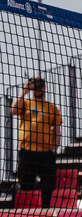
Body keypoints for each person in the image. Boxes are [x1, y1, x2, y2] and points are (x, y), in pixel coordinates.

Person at [11, 77, 61, 209]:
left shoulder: (52, 107)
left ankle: (45, 210)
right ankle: (26, 211)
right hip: (27, 151)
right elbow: (14, 111)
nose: (38, 89)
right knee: (26, 184)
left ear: (44, 88)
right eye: (35, 86)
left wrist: (54, 150)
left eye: (40, 86)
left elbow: (57, 130)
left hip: (45, 153)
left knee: (48, 185)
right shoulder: (26, 103)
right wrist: (24, 92)